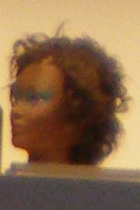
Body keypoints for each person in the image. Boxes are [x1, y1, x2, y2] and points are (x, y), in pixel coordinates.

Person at [8, 31, 128, 166]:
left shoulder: (97, 187)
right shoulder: (1, 185)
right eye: (15, 97)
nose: (15, 110)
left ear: (79, 116)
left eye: (34, 99)